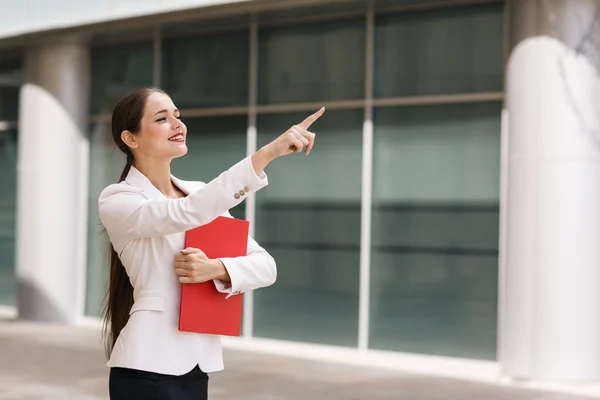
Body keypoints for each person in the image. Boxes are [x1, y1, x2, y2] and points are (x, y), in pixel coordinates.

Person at [97, 86, 324, 400]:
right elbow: (184, 214)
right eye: (162, 118)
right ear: (130, 138)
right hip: (146, 367)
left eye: (178, 115)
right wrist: (267, 154)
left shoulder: (199, 192)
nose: (178, 125)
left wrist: (216, 268)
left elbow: (265, 266)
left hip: (195, 368)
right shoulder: (118, 200)